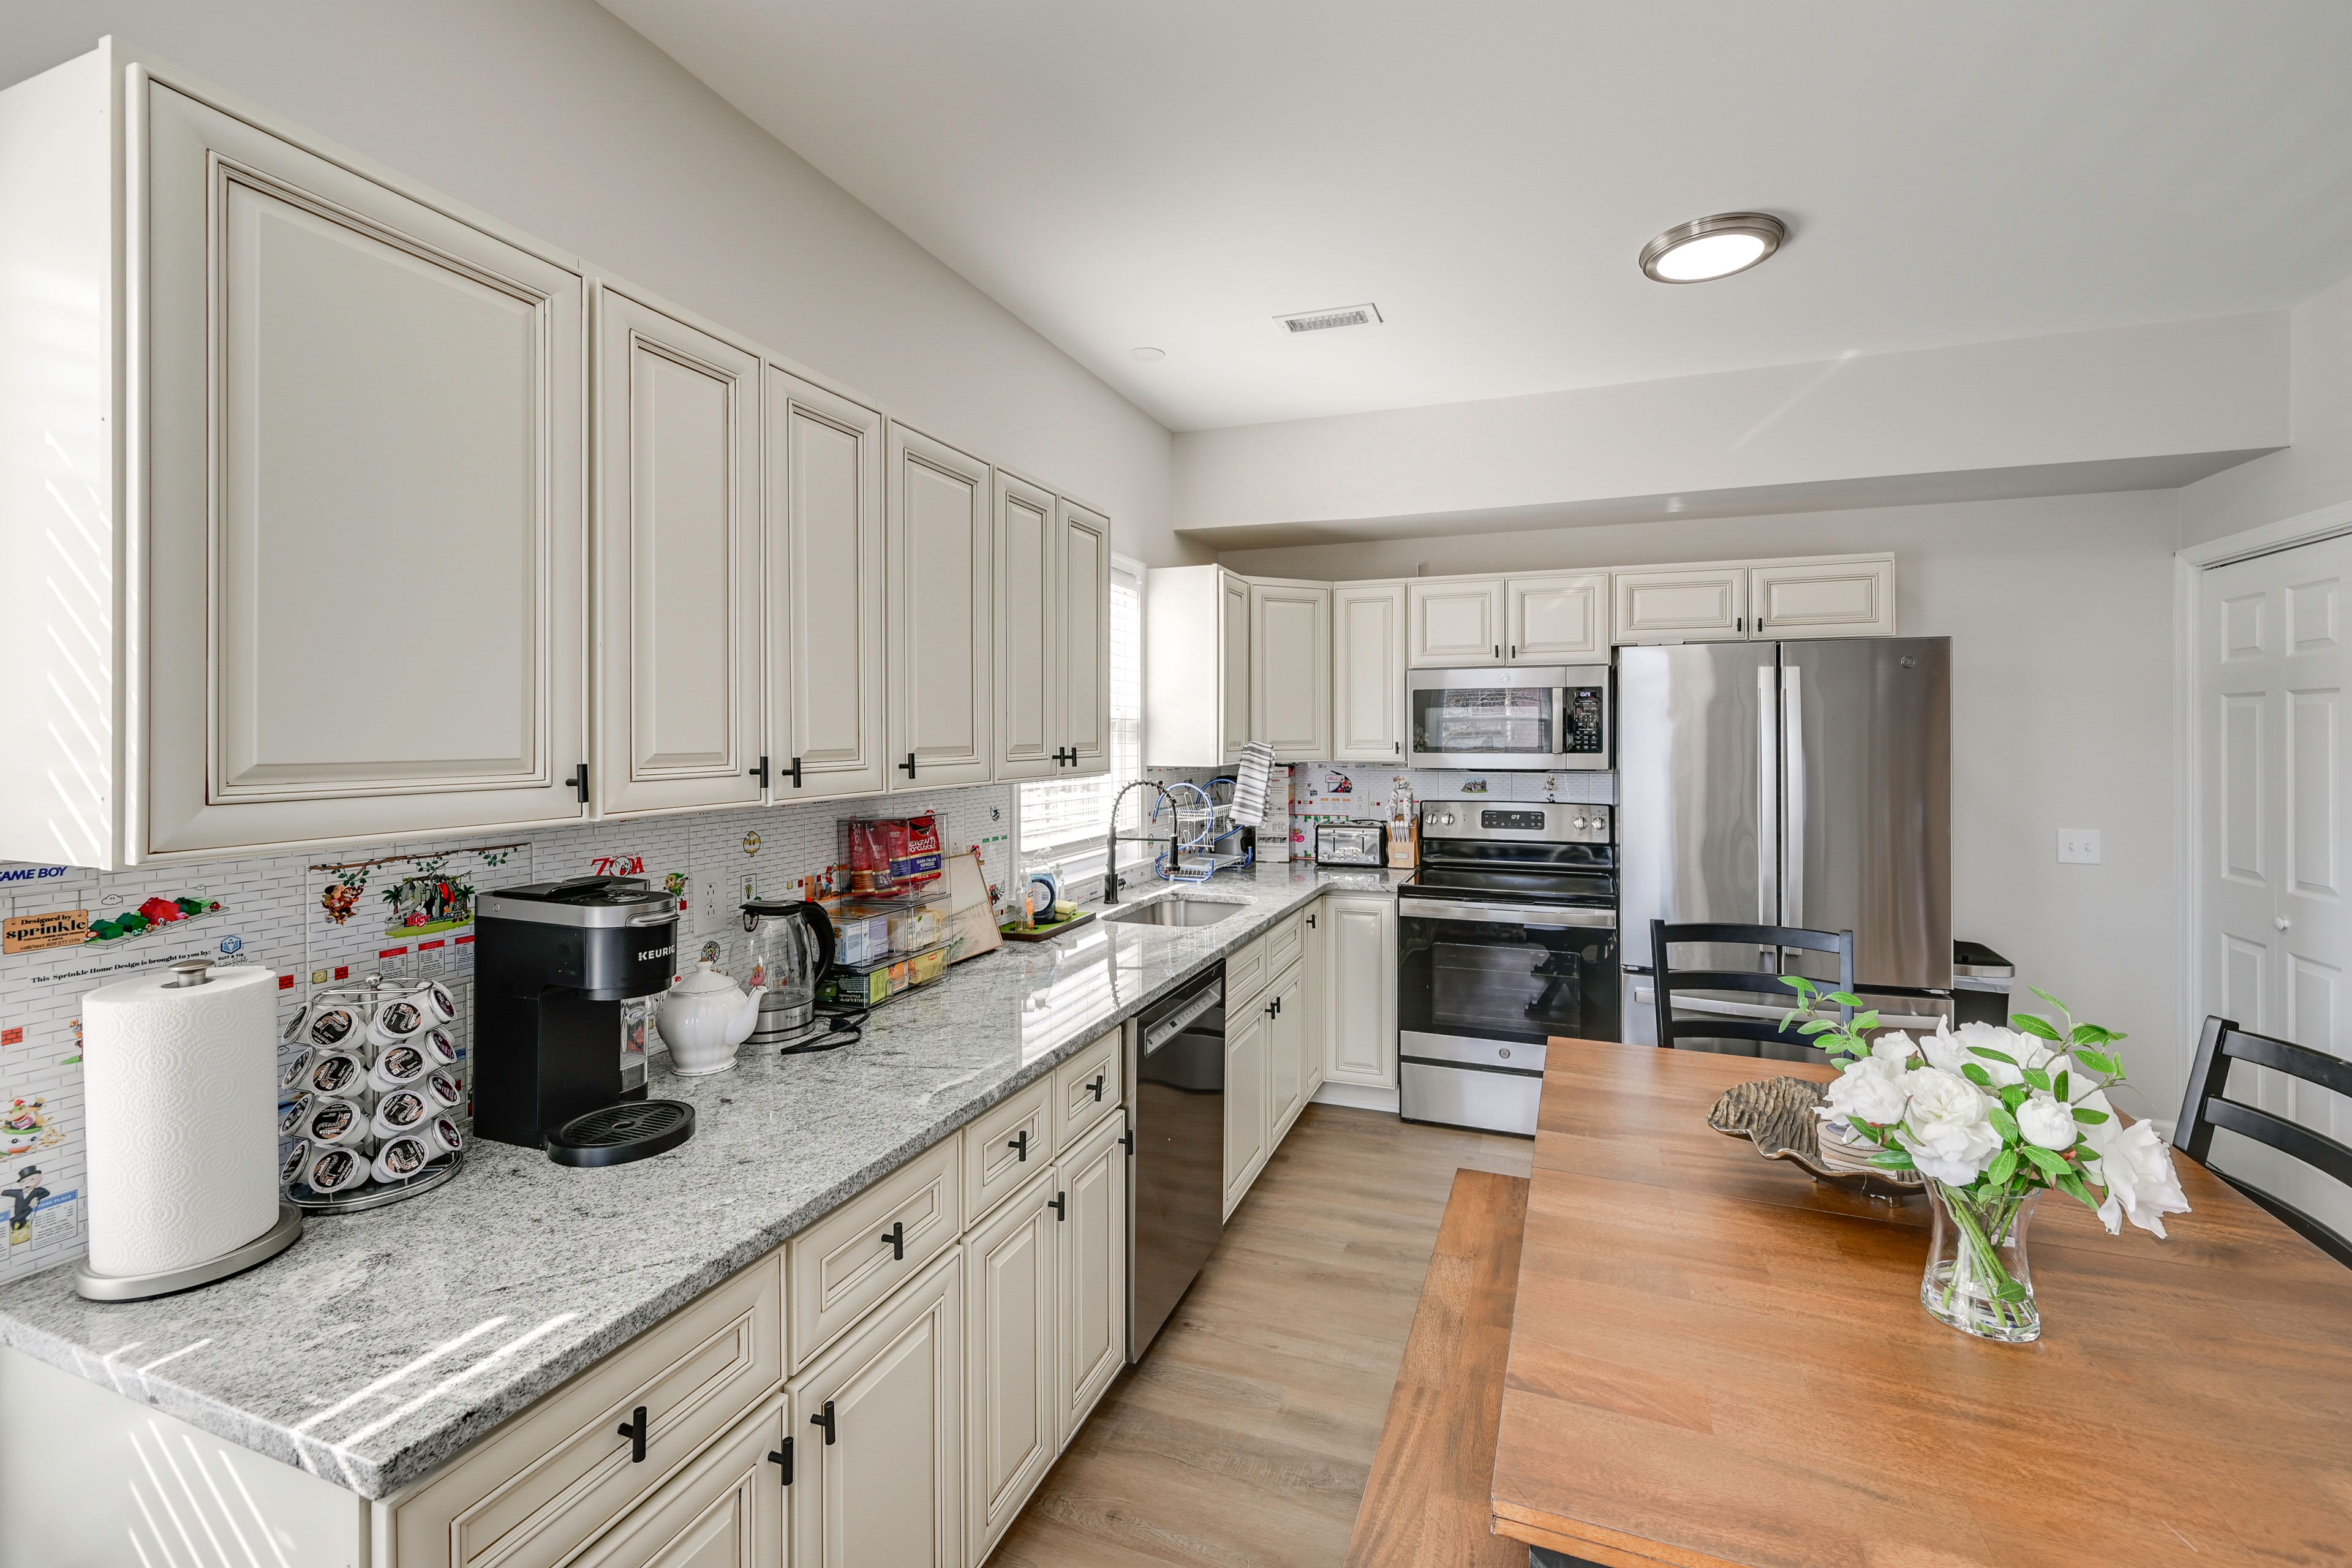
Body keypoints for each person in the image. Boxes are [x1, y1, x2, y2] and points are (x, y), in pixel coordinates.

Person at [4, 1164, 50, 1246]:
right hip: (18, 1210)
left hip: (28, 1208)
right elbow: (7, 1192)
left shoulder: (37, 1191)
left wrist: (36, 1198)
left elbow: (47, 1193)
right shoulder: (18, 1193)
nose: (28, 1183)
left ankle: (14, 1221)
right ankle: (23, 1222)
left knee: (18, 1217)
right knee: (21, 1218)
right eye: (24, 1181)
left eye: (32, 1180)